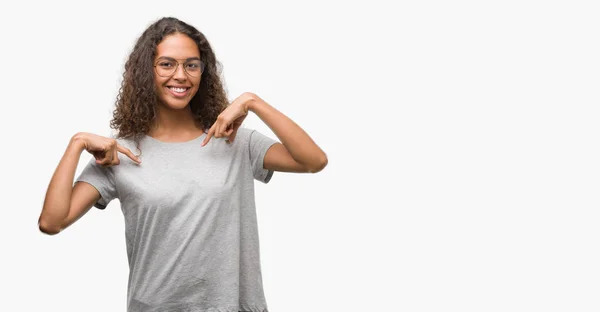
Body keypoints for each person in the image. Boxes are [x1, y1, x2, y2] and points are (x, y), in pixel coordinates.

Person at [38, 17, 327, 312]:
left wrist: (253, 102)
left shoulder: (234, 141)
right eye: (166, 64)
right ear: (145, 72)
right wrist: (76, 144)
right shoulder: (119, 153)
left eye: (191, 65)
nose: (181, 75)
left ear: (203, 72)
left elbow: (313, 161)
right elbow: (52, 222)